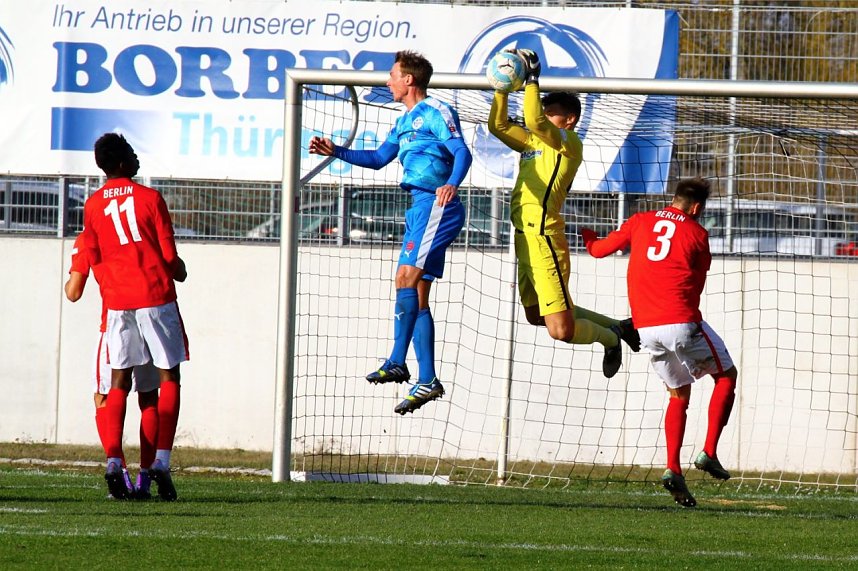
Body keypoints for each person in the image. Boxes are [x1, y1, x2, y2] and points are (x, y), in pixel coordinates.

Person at [309, 50, 472, 415]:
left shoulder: (437, 112)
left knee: (403, 279)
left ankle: (399, 360)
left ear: (408, 80)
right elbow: (380, 158)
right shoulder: (403, 122)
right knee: (416, 293)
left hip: (436, 205)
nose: (388, 81)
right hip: (418, 207)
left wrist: (452, 184)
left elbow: (462, 152)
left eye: (392, 75)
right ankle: (427, 378)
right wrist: (337, 151)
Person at [581, 177, 738, 508]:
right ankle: (708, 452)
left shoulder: (640, 221)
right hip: (681, 321)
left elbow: (598, 251)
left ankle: (673, 468)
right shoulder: (698, 233)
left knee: (678, 394)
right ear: (696, 208)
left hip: (646, 329)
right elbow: (697, 280)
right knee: (726, 376)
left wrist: (588, 236)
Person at [487, 49, 640, 378]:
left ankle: (610, 338)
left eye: (550, 112)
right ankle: (619, 327)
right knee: (535, 315)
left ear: (568, 120)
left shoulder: (568, 143)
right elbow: (498, 125)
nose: (543, 115)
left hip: (544, 237)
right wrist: (501, 88)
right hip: (523, 237)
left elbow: (533, 121)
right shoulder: (533, 144)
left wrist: (531, 81)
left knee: (561, 329)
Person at [80, 133, 189, 500]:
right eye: (131, 153)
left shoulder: (92, 206)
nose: (137, 157)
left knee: (118, 383)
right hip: (155, 297)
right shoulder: (150, 199)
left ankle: (113, 460)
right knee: (166, 377)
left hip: (117, 303)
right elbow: (170, 257)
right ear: (123, 163)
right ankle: (160, 460)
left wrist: (113, 284)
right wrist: (180, 270)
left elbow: (92, 257)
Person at [65, 233, 186, 500]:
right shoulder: (138, 233)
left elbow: (73, 292)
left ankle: (117, 469)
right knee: (150, 398)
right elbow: (169, 263)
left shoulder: (89, 238)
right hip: (148, 317)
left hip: (114, 323)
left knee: (104, 397)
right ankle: (145, 478)